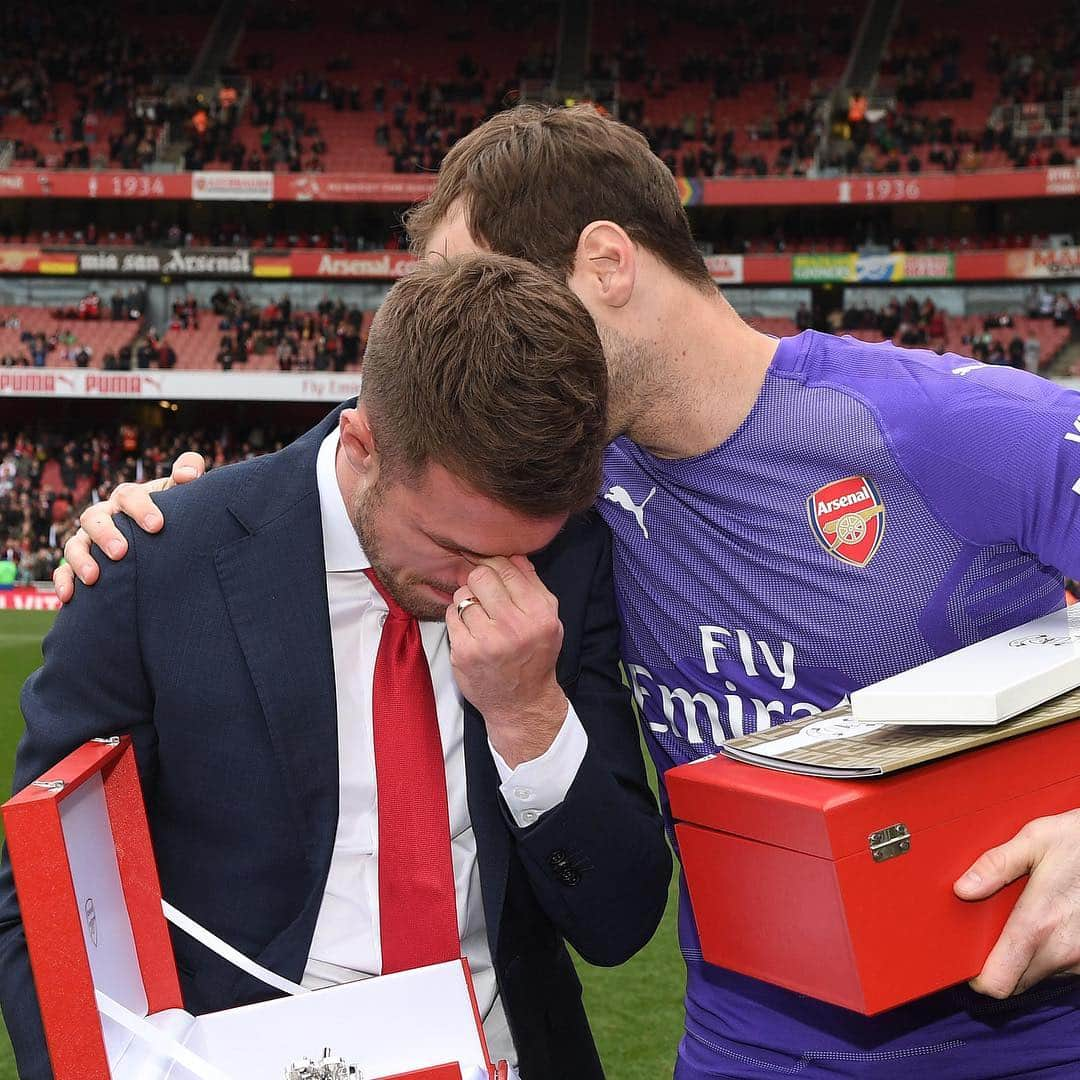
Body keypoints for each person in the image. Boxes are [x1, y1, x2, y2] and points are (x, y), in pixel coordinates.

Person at [58, 105, 1080, 1080]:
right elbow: (364, 468)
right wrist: (163, 522)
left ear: (605, 263)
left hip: (1020, 1039)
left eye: (493, 290)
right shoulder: (567, 494)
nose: (467, 332)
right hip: (744, 1044)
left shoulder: (943, 430)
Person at [1, 255, 671, 1080]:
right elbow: (43, 903)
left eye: (519, 550)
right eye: (453, 546)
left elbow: (618, 921)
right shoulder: (157, 565)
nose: (486, 581)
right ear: (362, 443)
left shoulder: (569, 567)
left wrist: (530, 713)